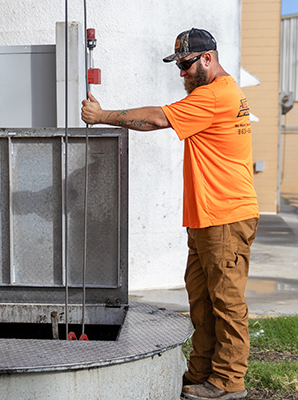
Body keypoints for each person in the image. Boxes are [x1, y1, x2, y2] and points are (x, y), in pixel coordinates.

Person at [81, 28, 259, 400]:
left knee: (226, 302)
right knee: (201, 299)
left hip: (225, 217)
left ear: (207, 58)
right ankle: (201, 373)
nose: (182, 73)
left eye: (186, 65)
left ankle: (229, 382)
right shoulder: (217, 94)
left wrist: (101, 115)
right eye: (179, 66)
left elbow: (157, 119)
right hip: (207, 218)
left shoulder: (215, 95)